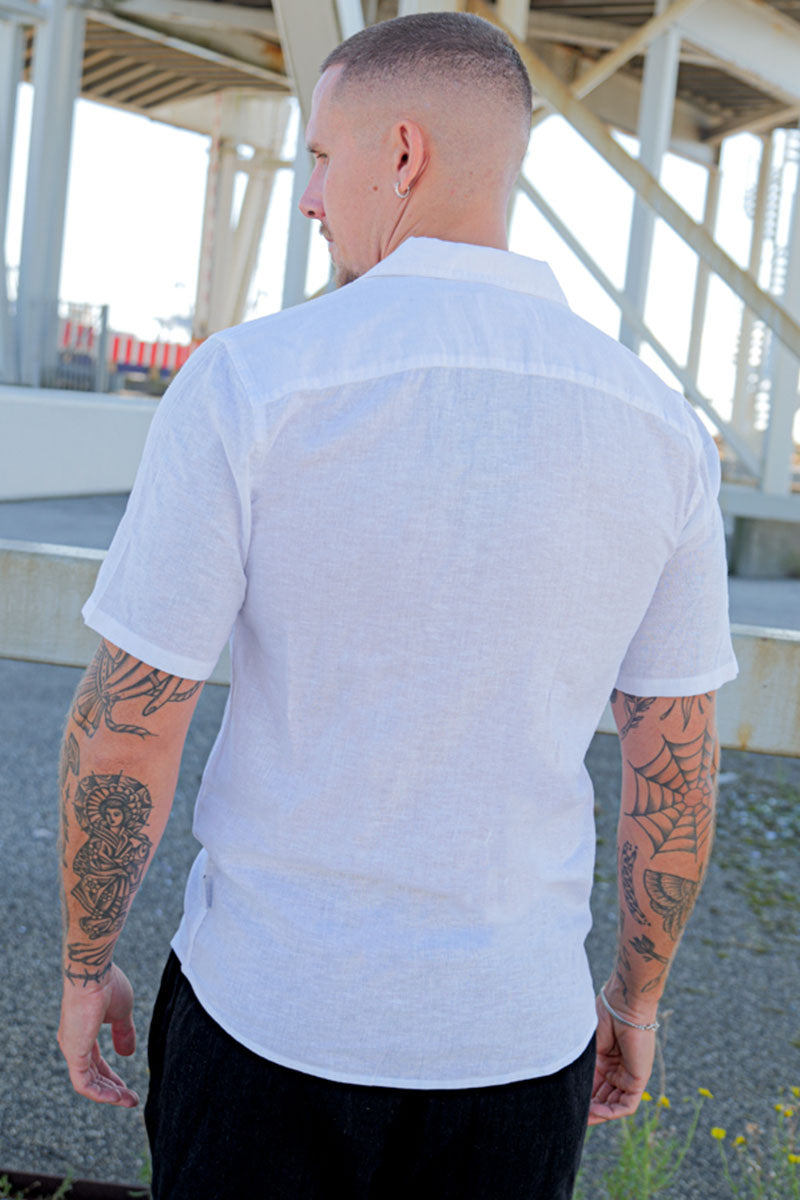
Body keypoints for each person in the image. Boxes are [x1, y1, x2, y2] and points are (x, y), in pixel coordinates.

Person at [57, 12, 738, 1199]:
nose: (310, 198)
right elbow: (672, 760)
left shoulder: (253, 382)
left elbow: (130, 723)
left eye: (323, 156)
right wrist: (634, 1000)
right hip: (513, 1046)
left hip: (267, 1017)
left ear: (404, 153)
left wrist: (84, 968)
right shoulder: (659, 428)